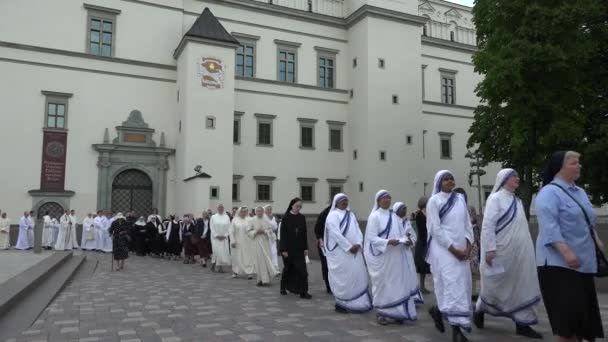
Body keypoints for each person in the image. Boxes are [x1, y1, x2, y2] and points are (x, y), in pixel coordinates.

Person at [536, 151, 604, 341]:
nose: (579, 166)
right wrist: (566, 252)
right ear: (560, 168)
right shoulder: (548, 193)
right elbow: (549, 226)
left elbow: (588, 220)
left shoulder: (580, 192)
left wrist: (597, 240)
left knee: (583, 324)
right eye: (574, 163)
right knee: (567, 326)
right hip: (559, 267)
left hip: (583, 264)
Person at [472, 169, 542, 339]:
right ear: (504, 180)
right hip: (501, 252)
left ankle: (523, 324)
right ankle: (480, 310)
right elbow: (488, 226)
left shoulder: (516, 200)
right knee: (495, 287)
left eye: (518, 176)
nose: (517, 179)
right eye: (514, 177)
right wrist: (489, 249)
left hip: (520, 254)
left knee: (521, 286)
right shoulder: (495, 199)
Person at [426, 170, 473, 342]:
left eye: (451, 178)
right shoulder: (434, 201)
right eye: (445, 179)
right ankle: (457, 332)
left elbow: (467, 223)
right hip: (444, 251)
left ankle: (438, 311)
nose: (449, 181)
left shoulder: (460, 199)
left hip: (462, 251)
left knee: (463, 287)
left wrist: (468, 245)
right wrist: (453, 249)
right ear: (439, 183)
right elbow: (435, 229)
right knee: (452, 287)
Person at [364, 190, 419, 325]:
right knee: (383, 284)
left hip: (397, 256)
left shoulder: (394, 216)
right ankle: (382, 313)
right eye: (384, 198)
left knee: (397, 284)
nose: (387, 200)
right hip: (383, 257)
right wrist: (388, 242)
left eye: (389, 197)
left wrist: (406, 241)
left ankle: (397, 313)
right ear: (378, 200)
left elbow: (402, 233)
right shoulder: (374, 216)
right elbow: (372, 237)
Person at [324, 193, 371, 314]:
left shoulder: (351, 215)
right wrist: (349, 247)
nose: (345, 202)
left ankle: (358, 303)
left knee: (356, 275)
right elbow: (336, 234)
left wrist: (359, 244)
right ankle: (342, 304)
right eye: (342, 200)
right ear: (336, 202)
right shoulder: (332, 216)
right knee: (344, 278)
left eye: (346, 200)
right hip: (342, 254)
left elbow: (358, 230)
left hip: (355, 252)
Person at [280, 198, 311, 299]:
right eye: (297, 206)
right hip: (288, 249)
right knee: (288, 269)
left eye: (300, 206)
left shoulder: (302, 217)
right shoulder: (286, 217)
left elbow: (304, 234)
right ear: (292, 205)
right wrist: (283, 249)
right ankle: (283, 287)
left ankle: (303, 291)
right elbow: (283, 235)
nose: (299, 208)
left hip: (299, 249)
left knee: (303, 271)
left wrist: (305, 248)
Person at [393, 201, 423, 305]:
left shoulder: (407, 222)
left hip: (406, 252)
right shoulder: (392, 222)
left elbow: (413, 236)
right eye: (402, 208)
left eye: (405, 208)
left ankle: (412, 296)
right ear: (397, 210)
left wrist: (411, 241)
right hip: (396, 252)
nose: (405, 210)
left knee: (410, 272)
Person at [248, 206, 277, 286]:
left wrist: (265, 231)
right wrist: (256, 232)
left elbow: (271, 230)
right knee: (258, 261)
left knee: (266, 260)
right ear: (255, 212)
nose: (259, 212)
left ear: (263, 212)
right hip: (256, 242)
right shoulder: (252, 220)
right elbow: (248, 231)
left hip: (265, 242)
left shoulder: (266, 219)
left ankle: (266, 280)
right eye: (258, 211)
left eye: (261, 211)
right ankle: (259, 279)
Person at [230, 207, 255, 279]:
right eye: (242, 212)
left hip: (248, 242)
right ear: (239, 212)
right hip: (237, 242)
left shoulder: (250, 220)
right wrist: (232, 241)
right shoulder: (234, 220)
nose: (243, 213)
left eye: (245, 211)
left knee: (248, 257)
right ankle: (235, 271)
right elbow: (231, 231)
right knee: (236, 257)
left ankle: (249, 272)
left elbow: (253, 230)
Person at [414, 197, 431, 294]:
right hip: (422, 241)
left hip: (426, 240)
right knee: (422, 264)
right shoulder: (419, 214)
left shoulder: (427, 213)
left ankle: (423, 286)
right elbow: (422, 228)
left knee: (426, 264)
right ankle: (422, 286)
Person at [314, 203, 332, 294]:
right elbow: (317, 228)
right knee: (326, 264)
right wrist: (320, 239)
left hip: (337, 246)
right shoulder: (325, 213)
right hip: (324, 244)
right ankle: (328, 285)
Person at [210, 204, 231, 272]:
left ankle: (220, 267)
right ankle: (213, 264)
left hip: (224, 238)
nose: (221, 209)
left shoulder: (226, 217)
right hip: (215, 238)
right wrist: (216, 235)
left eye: (222, 208)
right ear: (217, 208)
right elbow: (212, 227)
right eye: (219, 208)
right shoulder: (213, 217)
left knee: (222, 252)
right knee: (216, 251)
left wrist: (225, 235)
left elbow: (229, 227)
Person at [264, 205, 280, 274]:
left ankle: (275, 267)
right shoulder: (263, 217)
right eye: (268, 209)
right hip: (265, 237)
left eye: (270, 209)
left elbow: (275, 227)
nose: (269, 210)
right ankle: (267, 268)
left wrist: (271, 221)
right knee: (266, 252)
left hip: (272, 237)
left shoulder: (273, 217)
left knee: (274, 252)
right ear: (265, 210)